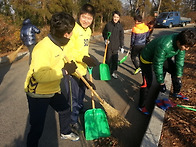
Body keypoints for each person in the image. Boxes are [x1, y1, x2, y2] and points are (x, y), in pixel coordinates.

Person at [24, 12, 79, 147]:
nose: (72, 34)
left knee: (65, 109)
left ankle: (65, 132)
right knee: (37, 127)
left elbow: (65, 55)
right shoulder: (42, 48)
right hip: (37, 92)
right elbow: (40, 76)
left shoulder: (60, 42)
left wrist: (75, 66)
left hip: (53, 88)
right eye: (71, 32)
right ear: (66, 33)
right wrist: (65, 71)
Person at [138, 29, 196, 115]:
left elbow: (179, 62)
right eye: (186, 47)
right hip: (147, 59)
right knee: (148, 82)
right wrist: (161, 83)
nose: (187, 49)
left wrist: (178, 76)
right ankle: (141, 106)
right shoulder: (165, 45)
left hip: (161, 56)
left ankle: (176, 92)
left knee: (174, 70)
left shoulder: (181, 43)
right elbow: (158, 64)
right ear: (179, 42)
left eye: (188, 47)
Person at [62, 4, 97, 131]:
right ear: (79, 16)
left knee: (82, 91)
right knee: (73, 97)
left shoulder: (88, 31)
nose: (86, 20)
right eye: (84, 17)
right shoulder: (73, 29)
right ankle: (72, 120)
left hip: (82, 68)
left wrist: (88, 59)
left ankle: (79, 108)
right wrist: (82, 58)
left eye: (89, 18)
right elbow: (68, 51)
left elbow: (84, 50)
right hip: (72, 69)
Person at [102, 10, 124, 79]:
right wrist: (105, 39)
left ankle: (113, 72)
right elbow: (104, 33)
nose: (115, 18)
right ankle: (107, 72)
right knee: (108, 60)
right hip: (108, 46)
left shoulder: (120, 26)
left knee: (115, 60)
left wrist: (122, 46)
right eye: (114, 17)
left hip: (116, 46)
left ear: (119, 18)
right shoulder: (108, 25)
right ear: (112, 17)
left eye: (117, 17)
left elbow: (121, 36)